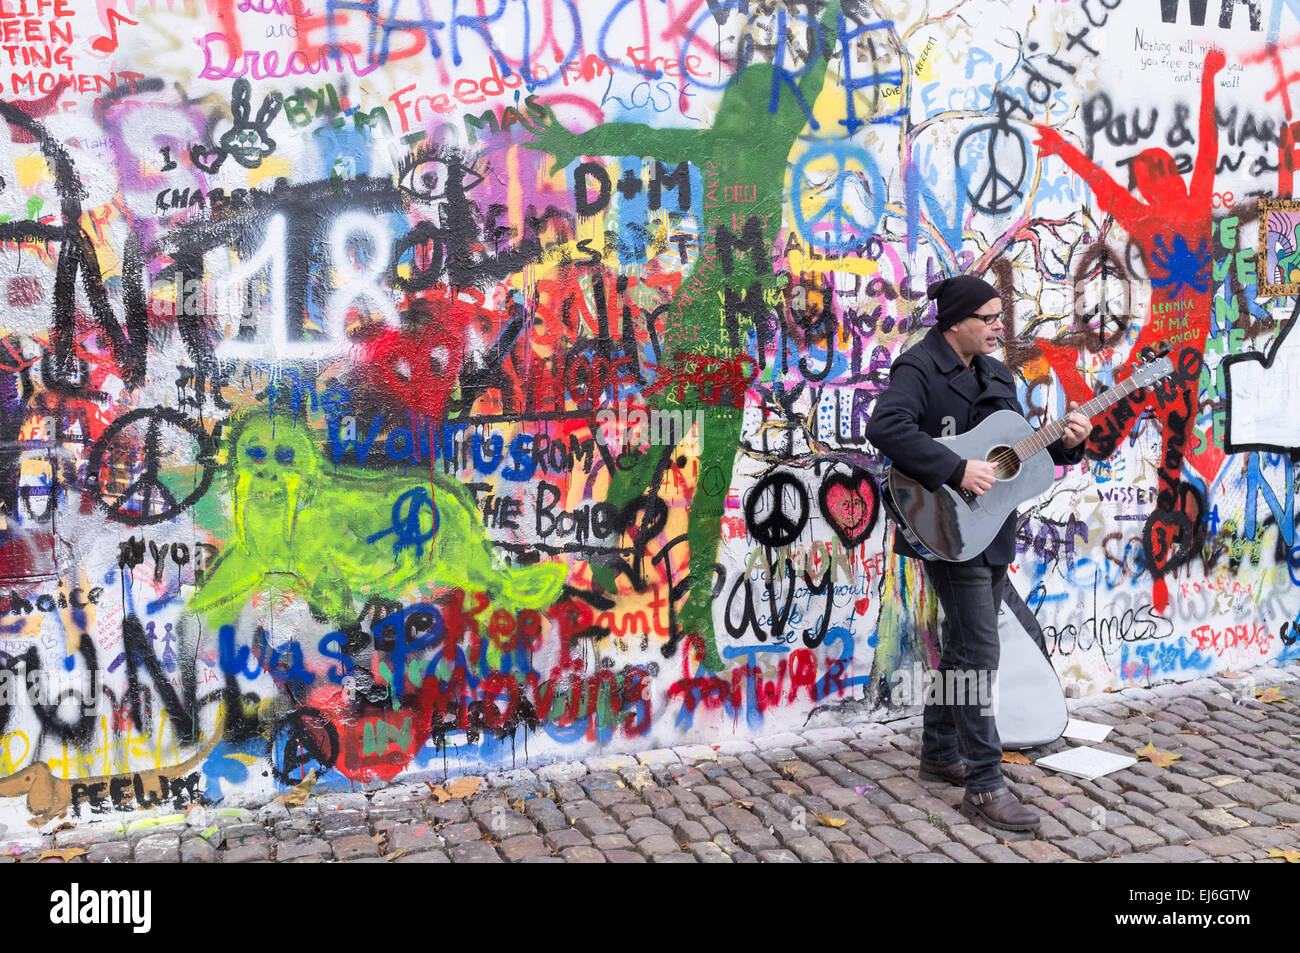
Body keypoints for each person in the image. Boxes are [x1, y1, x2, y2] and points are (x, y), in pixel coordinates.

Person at [865, 275, 1093, 831]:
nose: (999, 326)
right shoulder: (918, 369)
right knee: (981, 653)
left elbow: (1016, 454)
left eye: (999, 316)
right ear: (956, 322)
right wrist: (956, 467)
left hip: (989, 529)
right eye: (988, 318)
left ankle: (941, 752)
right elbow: (884, 427)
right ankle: (986, 784)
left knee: (964, 647)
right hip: (944, 529)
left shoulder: (994, 371)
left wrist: (1066, 441)